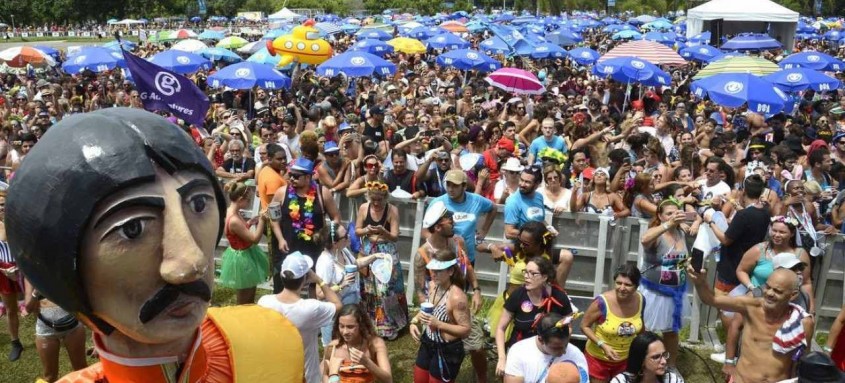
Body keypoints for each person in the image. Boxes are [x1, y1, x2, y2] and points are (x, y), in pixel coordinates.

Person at [6, 108, 304, 382]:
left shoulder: (274, 346)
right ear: (60, 268)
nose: (192, 262)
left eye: (199, 203)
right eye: (133, 229)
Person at [688, 267, 814, 383]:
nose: (769, 293)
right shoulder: (750, 307)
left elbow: (802, 361)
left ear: (793, 295)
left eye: (777, 291)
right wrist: (700, 283)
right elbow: (711, 299)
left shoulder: (802, 322)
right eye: (768, 287)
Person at [415, 200, 488, 382]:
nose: (453, 221)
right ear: (439, 227)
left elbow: (467, 266)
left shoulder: (456, 242)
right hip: (437, 306)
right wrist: (425, 313)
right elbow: (419, 288)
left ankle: (482, 377)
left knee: (476, 347)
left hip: (458, 303)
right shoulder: (423, 254)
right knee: (440, 344)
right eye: (449, 220)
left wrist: (476, 289)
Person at [258, 252, 342, 383]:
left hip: (274, 374)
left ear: (281, 275)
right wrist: (319, 280)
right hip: (306, 377)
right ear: (305, 279)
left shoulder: (264, 302)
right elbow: (337, 305)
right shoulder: (310, 308)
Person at [270, 157, 342, 291]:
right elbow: (274, 219)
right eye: (290, 175)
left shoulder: (322, 193)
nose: (291, 179)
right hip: (288, 247)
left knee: (314, 288)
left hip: (314, 249)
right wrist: (280, 239)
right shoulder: (281, 193)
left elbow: (336, 218)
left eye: (296, 176)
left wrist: (326, 235)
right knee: (284, 287)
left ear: (308, 177)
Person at [496, 256, 574, 376]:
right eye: (525, 272)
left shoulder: (560, 297)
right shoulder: (518, 295)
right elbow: (500, 328)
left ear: (545, 277)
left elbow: (568, 327)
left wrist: (559, 348)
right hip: (520, 353)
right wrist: (502, 358)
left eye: (532, 273)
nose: (526, 276)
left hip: (549, 355)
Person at [639, 198, 689, 368]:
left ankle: (670, 366)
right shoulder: (657, 232)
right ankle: (642, 364)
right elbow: (644, 240)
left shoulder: (680, 233)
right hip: (653, 292)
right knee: (645, 331)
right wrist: (668, 224)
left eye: (676, 213)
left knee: (671, 332)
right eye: (669, 213)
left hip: (674, 292)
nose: (673, 216)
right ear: (660, 216)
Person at [355, 180, 408, 340]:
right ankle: (370, 324)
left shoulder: (392, 210)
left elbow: (395, 236)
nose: (376, 203)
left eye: (380, 199)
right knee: (369, 289)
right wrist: (366, 230)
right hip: (368, 250)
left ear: (386, 198)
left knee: (386, 289)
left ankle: (389, 325)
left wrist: (384, 231)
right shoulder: (364, 208)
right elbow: (357, 230)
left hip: (386, 252)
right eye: (373, 199)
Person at [409, 249, 472, 383]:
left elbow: (466, 330)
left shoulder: (457, 297)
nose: (433, 274)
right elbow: (428, 309)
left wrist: (439, 324)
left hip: (447, 348)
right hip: (428, 342)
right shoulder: (433, 286)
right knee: (419, 379)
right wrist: (414, 321)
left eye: (438, 271)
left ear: (450, 271)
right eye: (432, 270)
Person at [581, 265, 645, 383]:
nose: (622, 288)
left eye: (628, 285)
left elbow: (641, 327)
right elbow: (584, 326)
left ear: (636, 287)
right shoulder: (601, 302)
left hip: (626, 361)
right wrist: (602, 345)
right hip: (598, 360)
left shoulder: (641, 300)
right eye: (618, 283)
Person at [25, 278, 88, 382]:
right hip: (46, 329)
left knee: (81, 370)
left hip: (73, 327)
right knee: (50, 376)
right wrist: (36, 292)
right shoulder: (31, 274)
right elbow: (28, 308)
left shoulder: (61, 269)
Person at [217, 182, 268, 305]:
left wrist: (249, 222)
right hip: (243, 258)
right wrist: (262, 220)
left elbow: (239, 231)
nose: (249, 202)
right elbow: (254, 239)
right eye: (248, 200)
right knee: (245, 297)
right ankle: (241, 318)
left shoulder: (232, 211)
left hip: (245, 253)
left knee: (250, 291)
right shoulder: (233, 220)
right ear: (240, 199)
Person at [430, 169, 496, 264]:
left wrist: (483, 232)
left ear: (464, 186)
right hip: (443, 260)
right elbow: (425, 231)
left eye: (455, 185)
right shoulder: (437, 203)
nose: (450, 189)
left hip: (467, 259)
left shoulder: (475, 200)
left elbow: (493, 208)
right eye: (448, 184)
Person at [503, 313, 589, 383]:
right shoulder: (518, 352)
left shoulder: (575, 354)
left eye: (566, 345)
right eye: (556, 348)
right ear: (541, 340)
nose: (564, 352)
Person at [323, 304, 393, 383]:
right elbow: (324, 373)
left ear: (361, 325)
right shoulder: (333, 347)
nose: (345, 332)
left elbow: (388, 379)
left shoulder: (375, 344)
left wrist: (367, 362)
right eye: (341, 326)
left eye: (350, 327)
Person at [0, 189, 23, 361]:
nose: (1, 208)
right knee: (11, 309)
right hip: (3, 269)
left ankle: (44, 333)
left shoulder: (18, 221)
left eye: (2, 204)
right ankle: (15, 342)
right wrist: (3, 270)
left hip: (23, 267)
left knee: (35, 302)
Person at [609, 332, 685, 383]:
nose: (664, 361)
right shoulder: (621, 381)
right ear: (641, 360)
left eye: (664, 355)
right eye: (656, 357)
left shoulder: (671, 380)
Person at [504, 165, 548, 239]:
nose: (522, 184)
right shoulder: (513, 202)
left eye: (527, 182)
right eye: (521, 180)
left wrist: (548, 229)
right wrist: (536, 235)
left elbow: (540, 220)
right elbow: (509, 233)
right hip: (522, 247)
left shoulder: (539, 197)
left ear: (537, 184)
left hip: (538, 247)